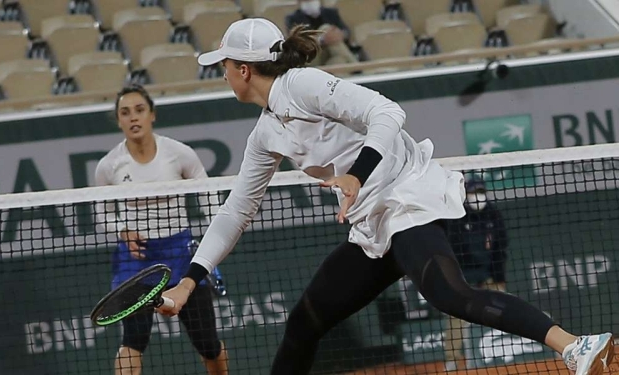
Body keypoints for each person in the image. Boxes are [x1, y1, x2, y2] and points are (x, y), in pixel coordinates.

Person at [158, 18, 615, 375]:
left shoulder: (302, 84)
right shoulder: (265, 134)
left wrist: (356, 176)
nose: (221, 74)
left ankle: (575, 345)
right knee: (304, 322)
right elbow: (237, 210)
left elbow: (386, 111)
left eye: (223, 66)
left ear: (243, 69)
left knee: (451, 296)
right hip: (373, 226)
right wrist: (190, 279)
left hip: (406, 197)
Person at [94, 85, 229, 375]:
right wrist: (123, 231)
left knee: (207, 343)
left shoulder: (179, 154)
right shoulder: (109, 166)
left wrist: (213, 244)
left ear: (152, 115)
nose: (133, 118)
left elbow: (209, 199)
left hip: (180, 255)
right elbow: (101, 214)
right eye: (125, 112)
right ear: (119, 121)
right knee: (133, 339)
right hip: (136, 263)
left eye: (139, 110)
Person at [443, 176, 509, 371]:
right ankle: (452, 358)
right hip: (464, 277)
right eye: (472, 193)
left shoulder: (494, 215)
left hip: (490, 275)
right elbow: (453, 249)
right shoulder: (457, 215)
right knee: (457, 318)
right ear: (466, 195)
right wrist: (463, 278)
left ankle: (506, 351)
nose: (477, 197)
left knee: (506, 310)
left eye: (480, 192)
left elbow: (500, 248)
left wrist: (498, 277)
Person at [285, 0, 358, 66]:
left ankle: (352, 69)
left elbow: (346, 31)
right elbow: (297, 42)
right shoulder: (293, 18)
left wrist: (340, 35)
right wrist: (322, 39)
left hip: (333, 53)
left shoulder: (330, 13)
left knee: (338, 61)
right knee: (325, 28)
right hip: (313, 56)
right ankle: (357, 66)